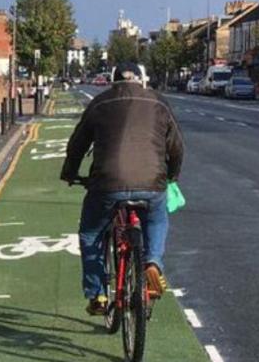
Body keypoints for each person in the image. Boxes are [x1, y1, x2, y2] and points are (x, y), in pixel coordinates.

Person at [61, 62, 185, 315]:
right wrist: (171, 176)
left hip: (107, 182)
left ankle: (97, 294)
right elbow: (177, 146)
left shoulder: (100, 103)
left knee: (91, 233)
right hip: (152, 183)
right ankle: (152, 262)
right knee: (156, 220)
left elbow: (77, 144)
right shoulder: (159, 102)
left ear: (113, 81)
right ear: (141, 80)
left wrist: (70, 173)